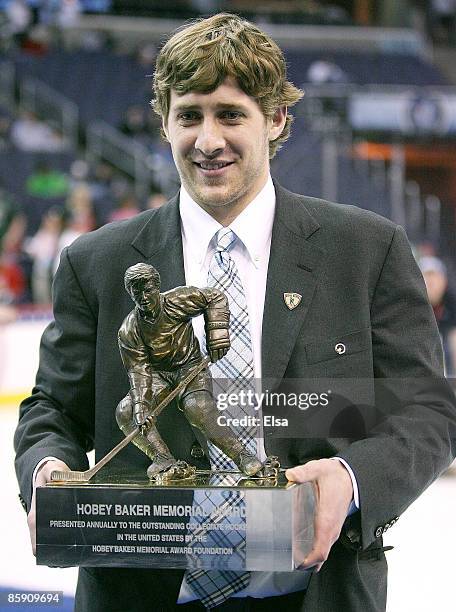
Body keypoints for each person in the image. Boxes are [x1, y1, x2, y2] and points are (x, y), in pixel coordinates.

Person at [14, 13, 456, 612]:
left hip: (317, 593)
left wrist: (351, 481)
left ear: (275, 119)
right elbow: (52, 410)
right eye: (189, 115)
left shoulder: (365, 250)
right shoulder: (97, 262)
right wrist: (48, 472)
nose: (208, 139)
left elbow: (427, 407)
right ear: (163, 122)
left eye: (231, 114)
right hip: (139, 594)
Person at [116, 262, 262, 478]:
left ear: (157, 287)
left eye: (148, 290)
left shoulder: (177, 300)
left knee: (198, 407)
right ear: (130, 293)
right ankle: (162, 458)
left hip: (190, 367)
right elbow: (139, 371)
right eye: (137, 293)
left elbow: (214, 297)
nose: (144, 297)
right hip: (158, 375)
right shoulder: (129, 330)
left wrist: (218, 334)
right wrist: (142, 407)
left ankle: (243, 456)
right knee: (126, 412)